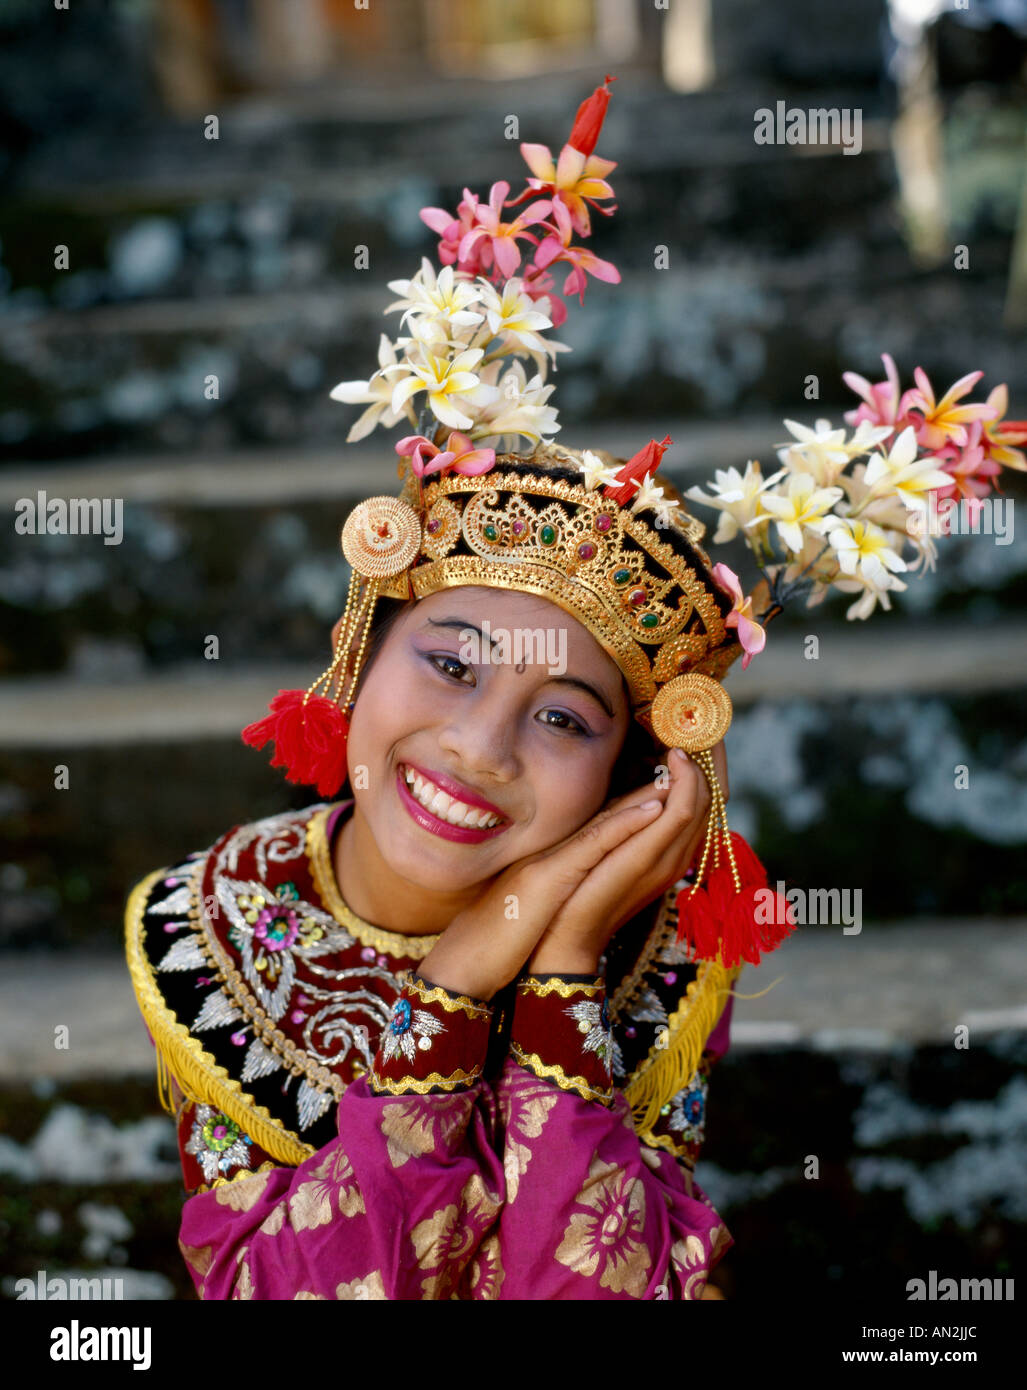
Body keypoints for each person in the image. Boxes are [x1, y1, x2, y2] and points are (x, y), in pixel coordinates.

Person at [124, 78, 790, 1301]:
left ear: (630, 775)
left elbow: (610, 1287)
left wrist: (560, 962)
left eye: (560, 717)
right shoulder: (221, 928)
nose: (479, 743)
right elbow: (278, 1289)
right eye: (449, 661)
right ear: (362, 651)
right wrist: (449, 989)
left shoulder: (650, 955)